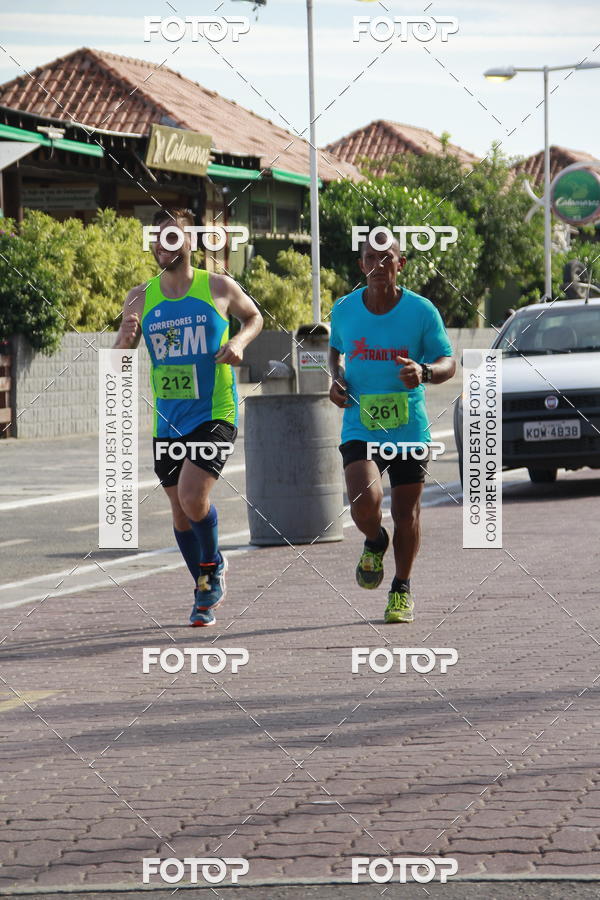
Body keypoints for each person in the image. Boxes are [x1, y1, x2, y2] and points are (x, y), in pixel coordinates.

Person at [114, 208, 263, 626]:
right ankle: (204, 586)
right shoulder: (140, 296)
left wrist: (238, 342)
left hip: (214, 411)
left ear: (190, 243)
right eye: (159, 239)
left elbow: (254, 317)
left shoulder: (217, 286)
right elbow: (118, 358)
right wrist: (124, 341)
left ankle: (211, 567)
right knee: (180, 514)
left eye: (174, 237)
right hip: (169, 420)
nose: (165, 245)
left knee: (192, 497)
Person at [328, 230, 455, 624]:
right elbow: (335, 351)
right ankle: (373, 539)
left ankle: (401, 587)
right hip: (361, 424)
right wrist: (336, 378)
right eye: (372, 258)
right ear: (361, 264)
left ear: (400, 264)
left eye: (388, 259)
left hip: (407, 428)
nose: (380, 266)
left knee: (407, 512)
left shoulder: (421, 311)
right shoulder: (345, 309)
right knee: (363, 502)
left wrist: (425, 371)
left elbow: (449, 362)